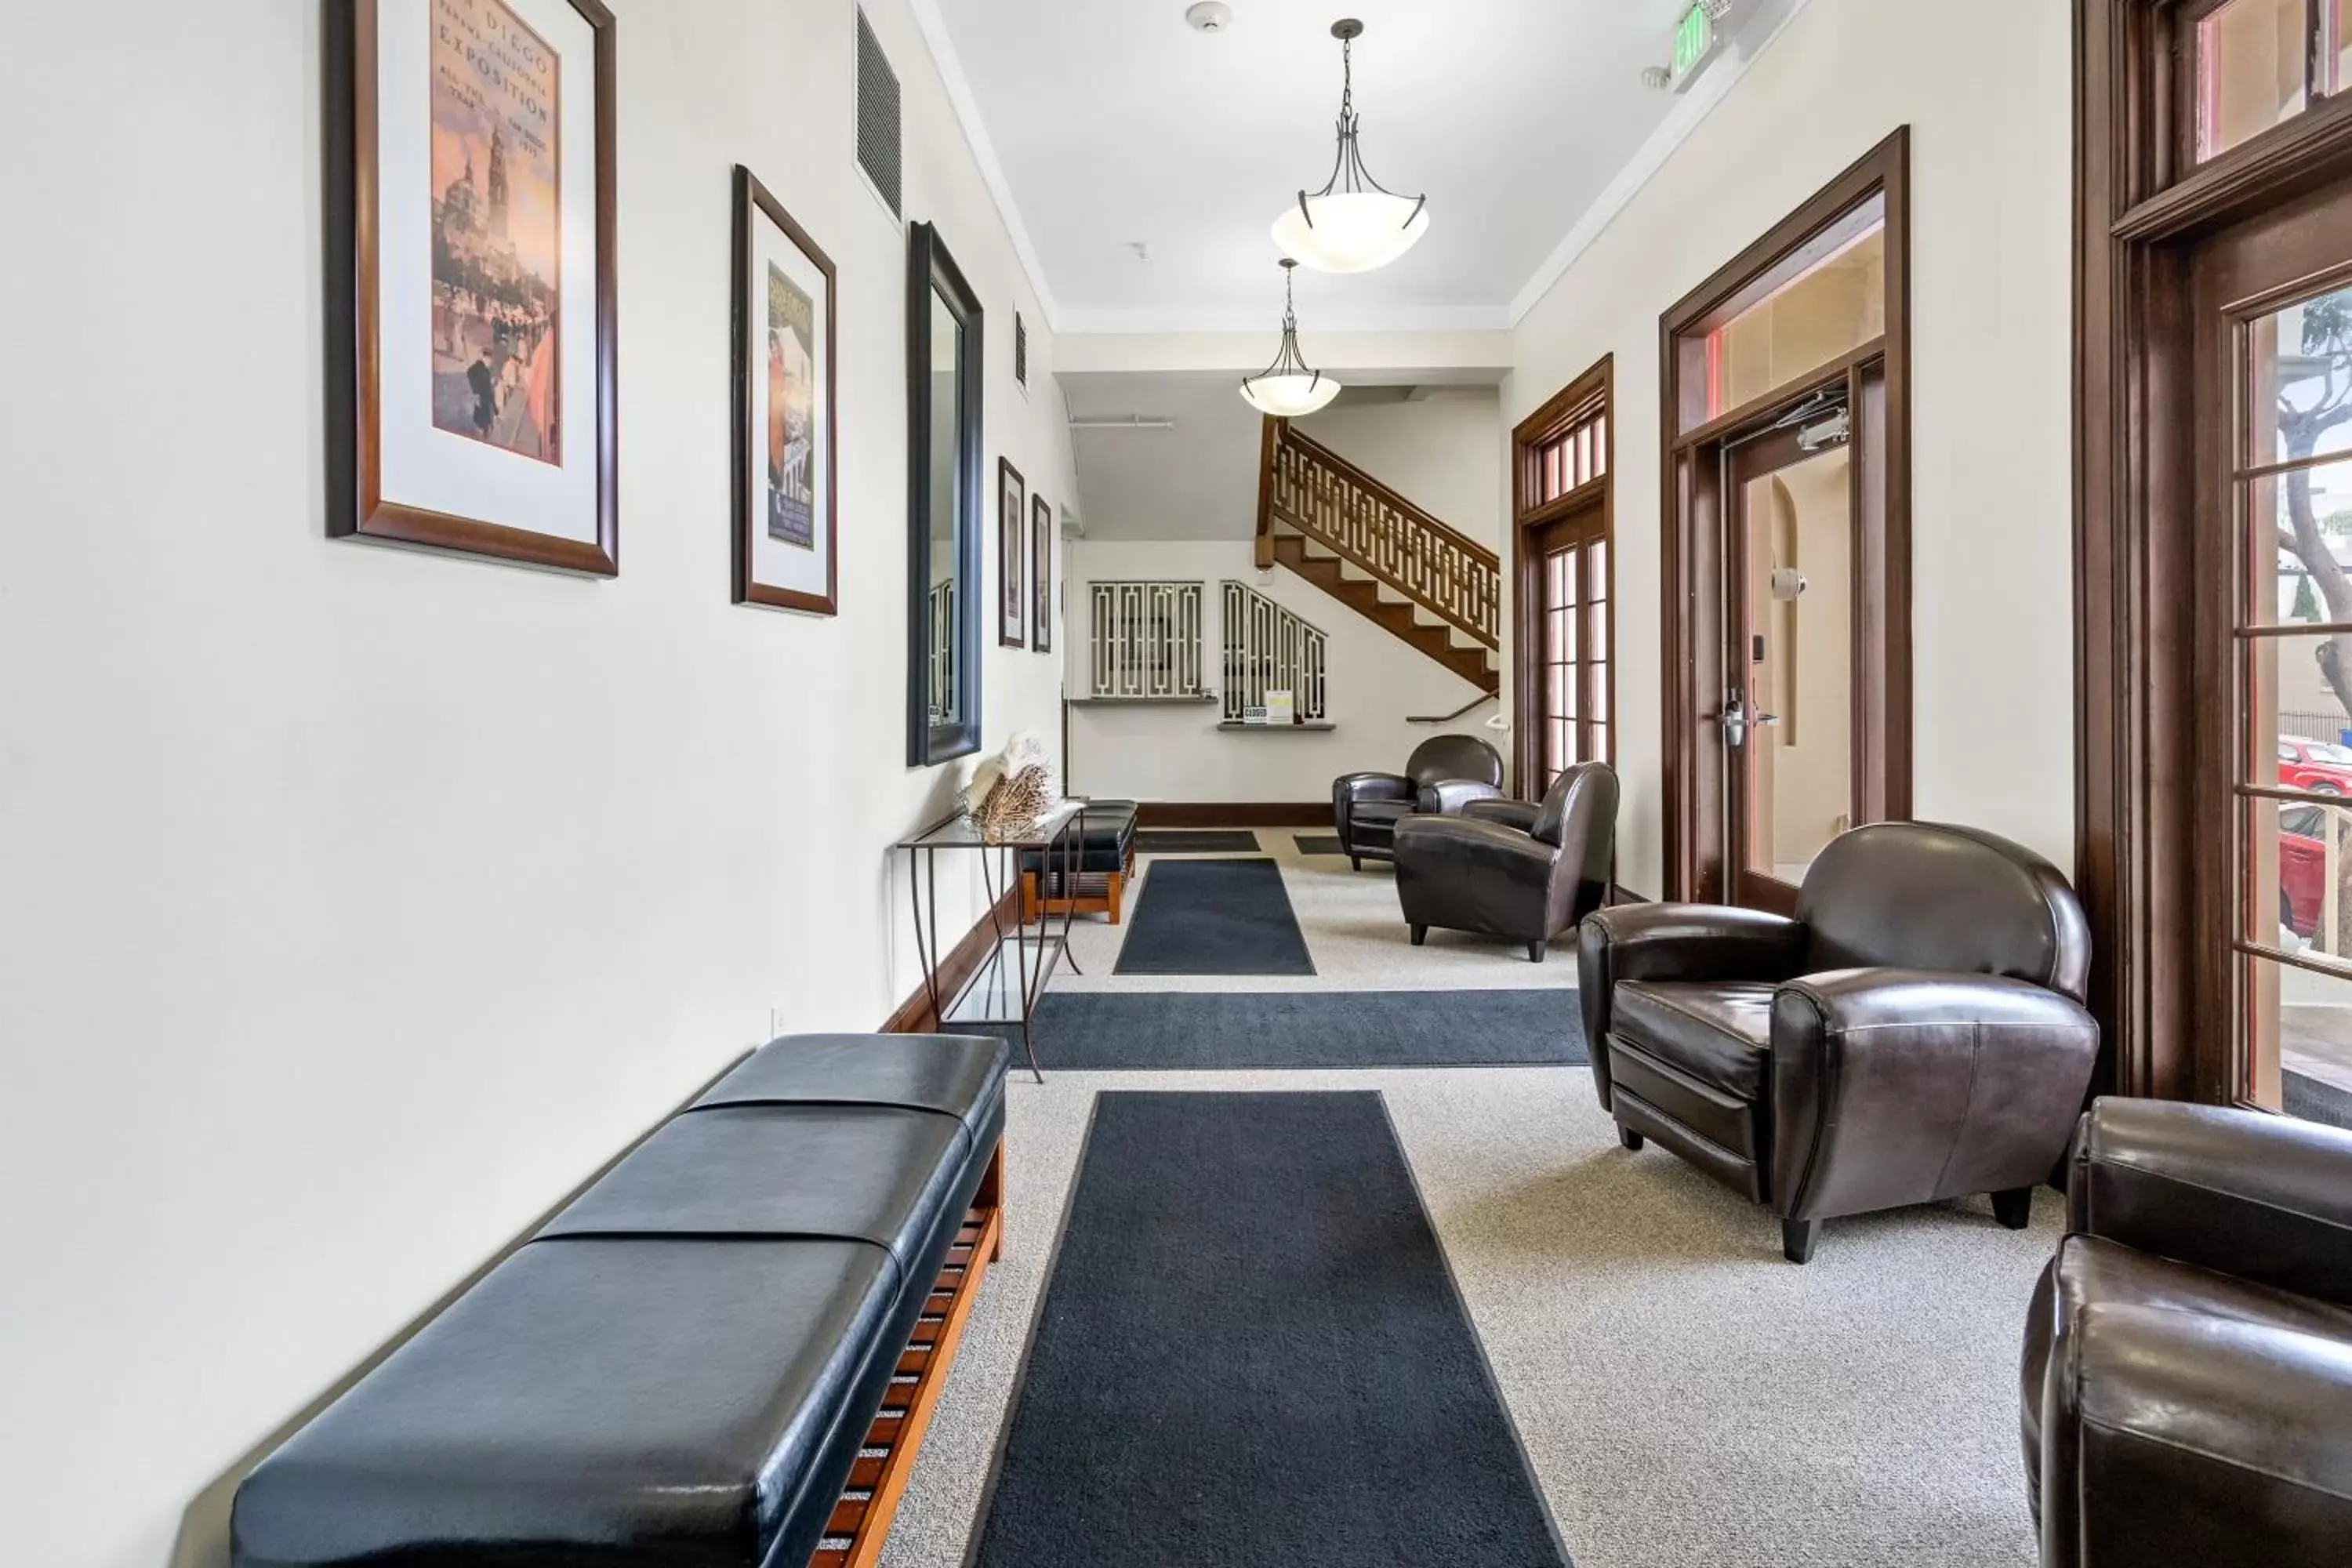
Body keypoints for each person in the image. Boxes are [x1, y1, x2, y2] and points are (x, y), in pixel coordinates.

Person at [467, 348, 495, 437]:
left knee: (485, 429)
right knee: (481, 429)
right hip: (481, 403)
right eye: (489, 359)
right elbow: (471, 375)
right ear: (484, 358)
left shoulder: (485, 370)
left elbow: (489, 390)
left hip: (486, 404)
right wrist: (479, 390)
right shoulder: (476, 369)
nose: (491, 362)